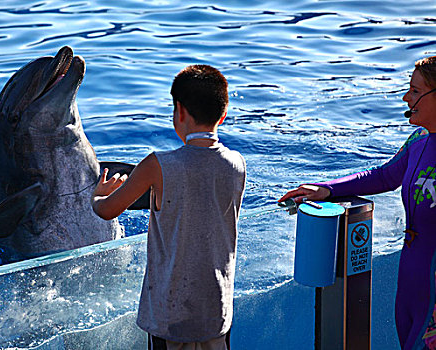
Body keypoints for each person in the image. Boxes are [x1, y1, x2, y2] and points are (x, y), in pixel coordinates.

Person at [279, 56, 436, 350]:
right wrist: (326, 189)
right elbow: (384, 176)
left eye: (415, 91)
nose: (406, 97)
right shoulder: (418, 140)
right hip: (410, 286)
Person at [91, 64, 246, 350]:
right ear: (223, 115)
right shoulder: (236, 164)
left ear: (180, 111)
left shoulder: (158, 165)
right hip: (216, 310)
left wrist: (99, 194)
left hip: (169, 316)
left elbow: (107, 210)